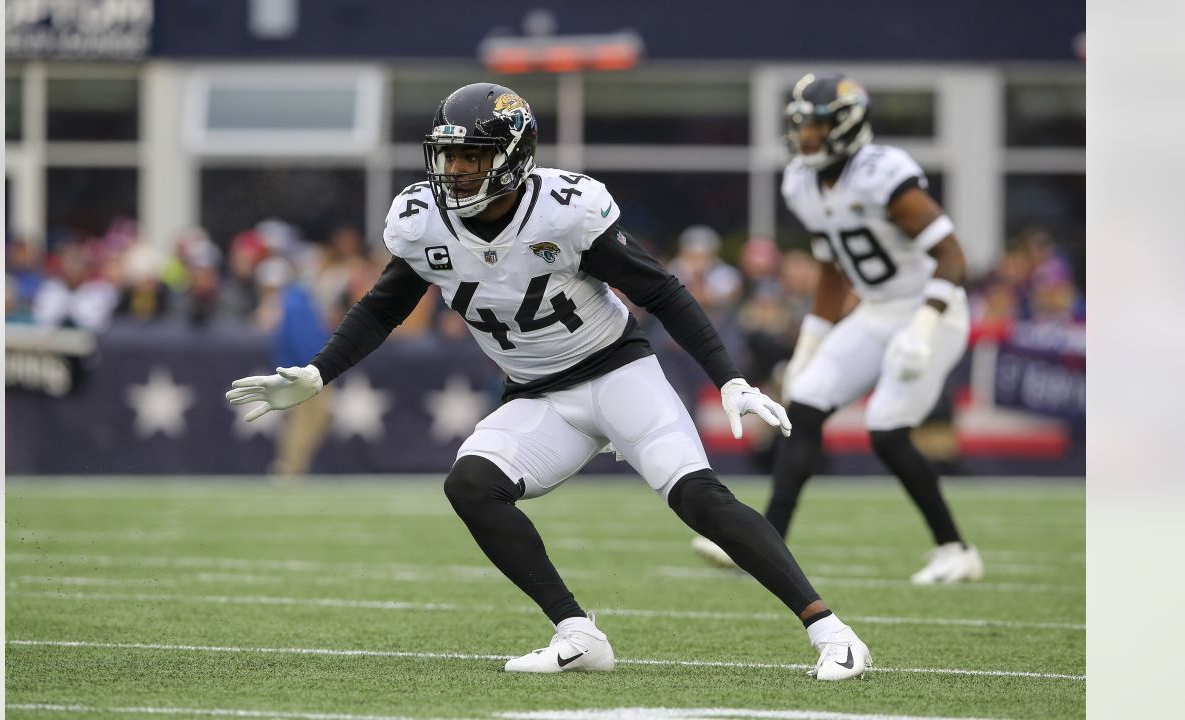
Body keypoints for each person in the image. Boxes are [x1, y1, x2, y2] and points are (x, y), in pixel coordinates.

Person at [225, 83, 871, 679]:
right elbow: (382, 306)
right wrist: (319, 371)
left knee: (699, 498)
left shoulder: (563, 210)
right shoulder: (424, 221)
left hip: (617, 370)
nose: (454, 172)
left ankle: (832, 632)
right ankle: (577, 632)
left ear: (511, 157)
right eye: (448, 158)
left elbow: (662, 290)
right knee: (472, 485)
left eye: (471, 158)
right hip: (537, 394)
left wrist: (727, 378)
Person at [692, 74, 982, 584]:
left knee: (888, 430)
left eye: (818, 126)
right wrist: (811, 340)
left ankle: (955, 549)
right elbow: (832, 268)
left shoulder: (883, 173)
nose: (806, 137)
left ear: (846, 126)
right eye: (801, 125)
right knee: (804, 402)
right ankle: (763, 542)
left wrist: (924, 323)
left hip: (931, 308)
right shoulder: (801, 181)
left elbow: (953, 255)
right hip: (875, 310)